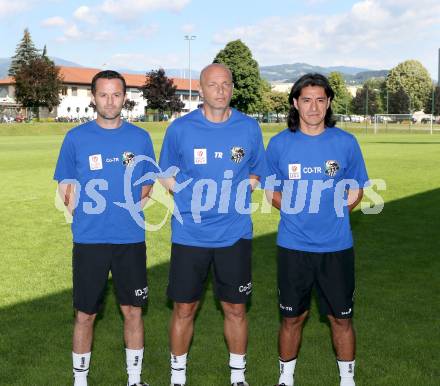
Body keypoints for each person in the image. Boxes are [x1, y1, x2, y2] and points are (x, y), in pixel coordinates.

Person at [158, 63, 266, 386]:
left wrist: (243, 189)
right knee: (184, 309)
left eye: (226, 84)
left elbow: (257, 169)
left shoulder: (249, 128)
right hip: (190, 234)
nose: (221, 90)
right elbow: (165, 174)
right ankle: (178, 378)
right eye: (213, 85)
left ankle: (238, 377)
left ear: (232, 88)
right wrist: (191, 197)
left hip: (234, 235)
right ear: (201, 90)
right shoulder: (180, 129)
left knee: (235, 310)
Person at [264, 73, 369, 386]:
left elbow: (357, 188)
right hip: (293, 247)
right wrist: (295, 210)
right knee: (292, 317)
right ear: (295, 103)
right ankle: (286, 380)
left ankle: (347, 381)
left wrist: (337, 210)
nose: (313, 107)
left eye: (320, 100)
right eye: (306, 100)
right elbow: (271, 190)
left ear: (329, 103)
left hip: (336, 247)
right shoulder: (280, 143)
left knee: (341, 318)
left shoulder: (345, 142)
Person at [54, 70, 156, 386]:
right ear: (93, 97)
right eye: (103, 94)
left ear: (125, 97)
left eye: (116, 94)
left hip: (129, 240)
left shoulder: (140, 138)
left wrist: (125, 212)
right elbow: (65, 186)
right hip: (90, 241)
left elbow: (147, 183)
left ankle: (134, 379)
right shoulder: (76, 138)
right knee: (85, 314)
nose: (110, 101)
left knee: (133, 312)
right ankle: (80, 381)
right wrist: (87, 217)